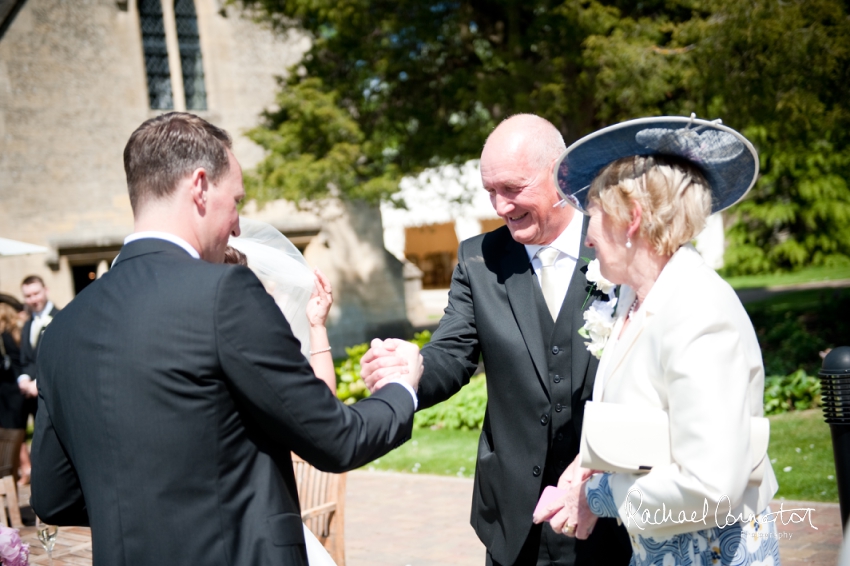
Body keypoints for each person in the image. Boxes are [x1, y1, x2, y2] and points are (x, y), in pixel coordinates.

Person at [30, 111, 420, 566]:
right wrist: (401, 390)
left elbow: (53, 498)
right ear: (199, 186)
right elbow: (335, 439)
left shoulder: (63, 330)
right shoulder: (224, 293)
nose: (237, 226)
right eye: (236, 201)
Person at [362, 114, 631, 566]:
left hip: (608, 509)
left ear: (560, 173)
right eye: (491, 191)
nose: (500, 206)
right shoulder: (478, 260)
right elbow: (452, 353)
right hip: (514, 519)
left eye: (513, 188)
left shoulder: (616, 246)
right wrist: (415, 370)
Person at [536, 116, 780, 565]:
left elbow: (710, 487)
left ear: (631, 218)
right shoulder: (635, 297)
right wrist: (581, 476)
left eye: (591, 214)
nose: (587, 237)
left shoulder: (698, 314)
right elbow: (638, 424)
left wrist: (597, 498)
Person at [18, 275, 58, 404]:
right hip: (31, 399)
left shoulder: (60, 318)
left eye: (36, 293)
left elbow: (59, 360)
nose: (33, 299)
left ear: (46, 290)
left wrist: (38, 383)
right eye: (28, 296)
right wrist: (23, 379)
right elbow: (27, 358)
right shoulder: (27, 324)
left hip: (53, 395)